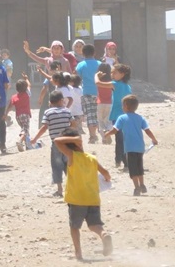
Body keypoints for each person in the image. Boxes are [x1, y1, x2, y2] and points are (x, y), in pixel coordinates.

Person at [53, 129, 113, 261]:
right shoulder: (91, 158)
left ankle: (78, 253)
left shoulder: (72, 157)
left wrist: (74, 140)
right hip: (93, 199)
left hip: (76, 200)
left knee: (75, 227)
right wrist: (107, 179)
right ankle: (104, 235)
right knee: (94, 225)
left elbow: (56, 141)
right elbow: (106, 173)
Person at [105, 95, 158, 196]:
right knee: (139, 166)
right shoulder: (140, 118)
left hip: (129, 147)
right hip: (140, 147)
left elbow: (115, 130)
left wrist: (107, 133)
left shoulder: (121, 118)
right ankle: (142, 184)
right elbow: (147, 130)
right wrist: (154, 139)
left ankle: (137, 187)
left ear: (125, 106)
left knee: (133, 169)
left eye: (122, 105)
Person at [30, 91, 75, 197]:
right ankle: (72, 188)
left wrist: (34, 139)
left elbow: (44, 127)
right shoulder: (67, 111)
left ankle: (60, 190)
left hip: (56, 144)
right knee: (69, 165)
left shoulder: (48, 112)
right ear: (61, 101)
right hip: (68, 143)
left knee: (56, 166)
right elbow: (73, 124)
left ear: (50, 102)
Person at [97, 63, 133, 169]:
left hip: (117, 116)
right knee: (123, 139)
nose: (112, 74)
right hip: (127, 115)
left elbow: (98, 83)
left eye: (115, 72)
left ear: (122, 74)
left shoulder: (115, 84)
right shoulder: (128, 86)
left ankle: (120, 161)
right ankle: (122, 160)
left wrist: (97, 76)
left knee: (119, 139)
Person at [75, 44, 101, 144]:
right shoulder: (99, 64)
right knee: (98, 114)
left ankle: (92, 136)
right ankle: (102, 133)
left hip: (86, 93)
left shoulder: (80, 65)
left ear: (82, 53)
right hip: (99, 93)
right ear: (94, 53)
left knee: (90, 114)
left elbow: (77, 79)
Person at [9, 80, 33, 152]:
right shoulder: (27, 94)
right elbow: (29, 85)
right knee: (25, 130)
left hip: (18, 116)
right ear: (25, 88)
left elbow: (10, 106)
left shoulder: (14, 97)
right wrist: (26, 79)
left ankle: (28, 146)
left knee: (24, 129)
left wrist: (6, 113)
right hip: (25, 115)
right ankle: (20, 141)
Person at [95, 62, 114, 143]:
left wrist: (97, 75)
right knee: (108, 121)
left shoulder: (99, 81)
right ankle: (108, 132)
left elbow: (96, 83)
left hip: (100, 103)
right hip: (109, 103)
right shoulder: (111, 82)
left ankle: (104, 137)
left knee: (100, 121)